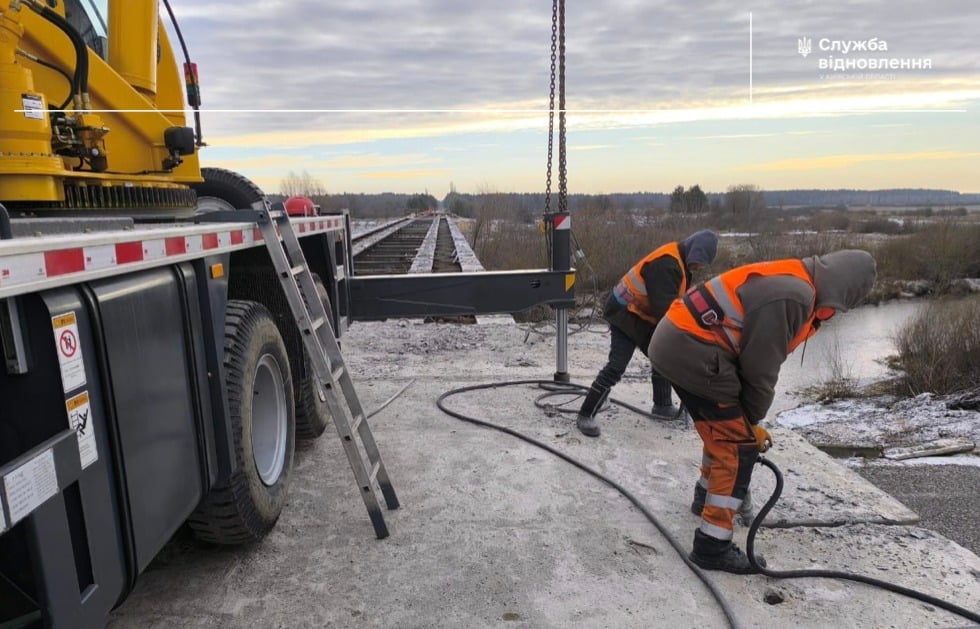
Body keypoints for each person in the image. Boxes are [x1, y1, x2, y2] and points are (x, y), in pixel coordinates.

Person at [648, 249, 877, 574]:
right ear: (839, 292)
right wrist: (751, 424)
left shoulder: (797, 281)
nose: (833, 315)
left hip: (681, 343)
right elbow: (760, 370)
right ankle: (712, 546)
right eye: (838, 308)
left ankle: (704, 497)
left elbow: (749, 359)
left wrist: (745, 420)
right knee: (738, 446)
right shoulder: (794, 296)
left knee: (724, 430)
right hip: (691, 349)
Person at [575, 230, 719, 437]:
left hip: (640, 314)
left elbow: (675, 306)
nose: (698, 268)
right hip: (624, 313)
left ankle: (662, 405)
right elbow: (666, 313)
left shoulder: (681, 262)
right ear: (693, 252)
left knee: (663, 355)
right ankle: (585, 414)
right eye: (698, 263)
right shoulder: (667, 264)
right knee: (617, 366)